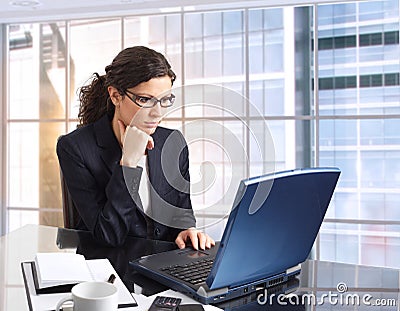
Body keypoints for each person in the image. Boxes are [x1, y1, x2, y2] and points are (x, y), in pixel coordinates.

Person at [57, 46, 215, 250]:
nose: (157, 113)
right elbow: (108, 235)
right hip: (108, 269)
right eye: (145, 100)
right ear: (115, 96)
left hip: (161, 265)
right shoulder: (75, 148)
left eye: (165, 100)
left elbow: (181, 211)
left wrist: (186, 229)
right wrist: (128, 163)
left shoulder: (173, 142)